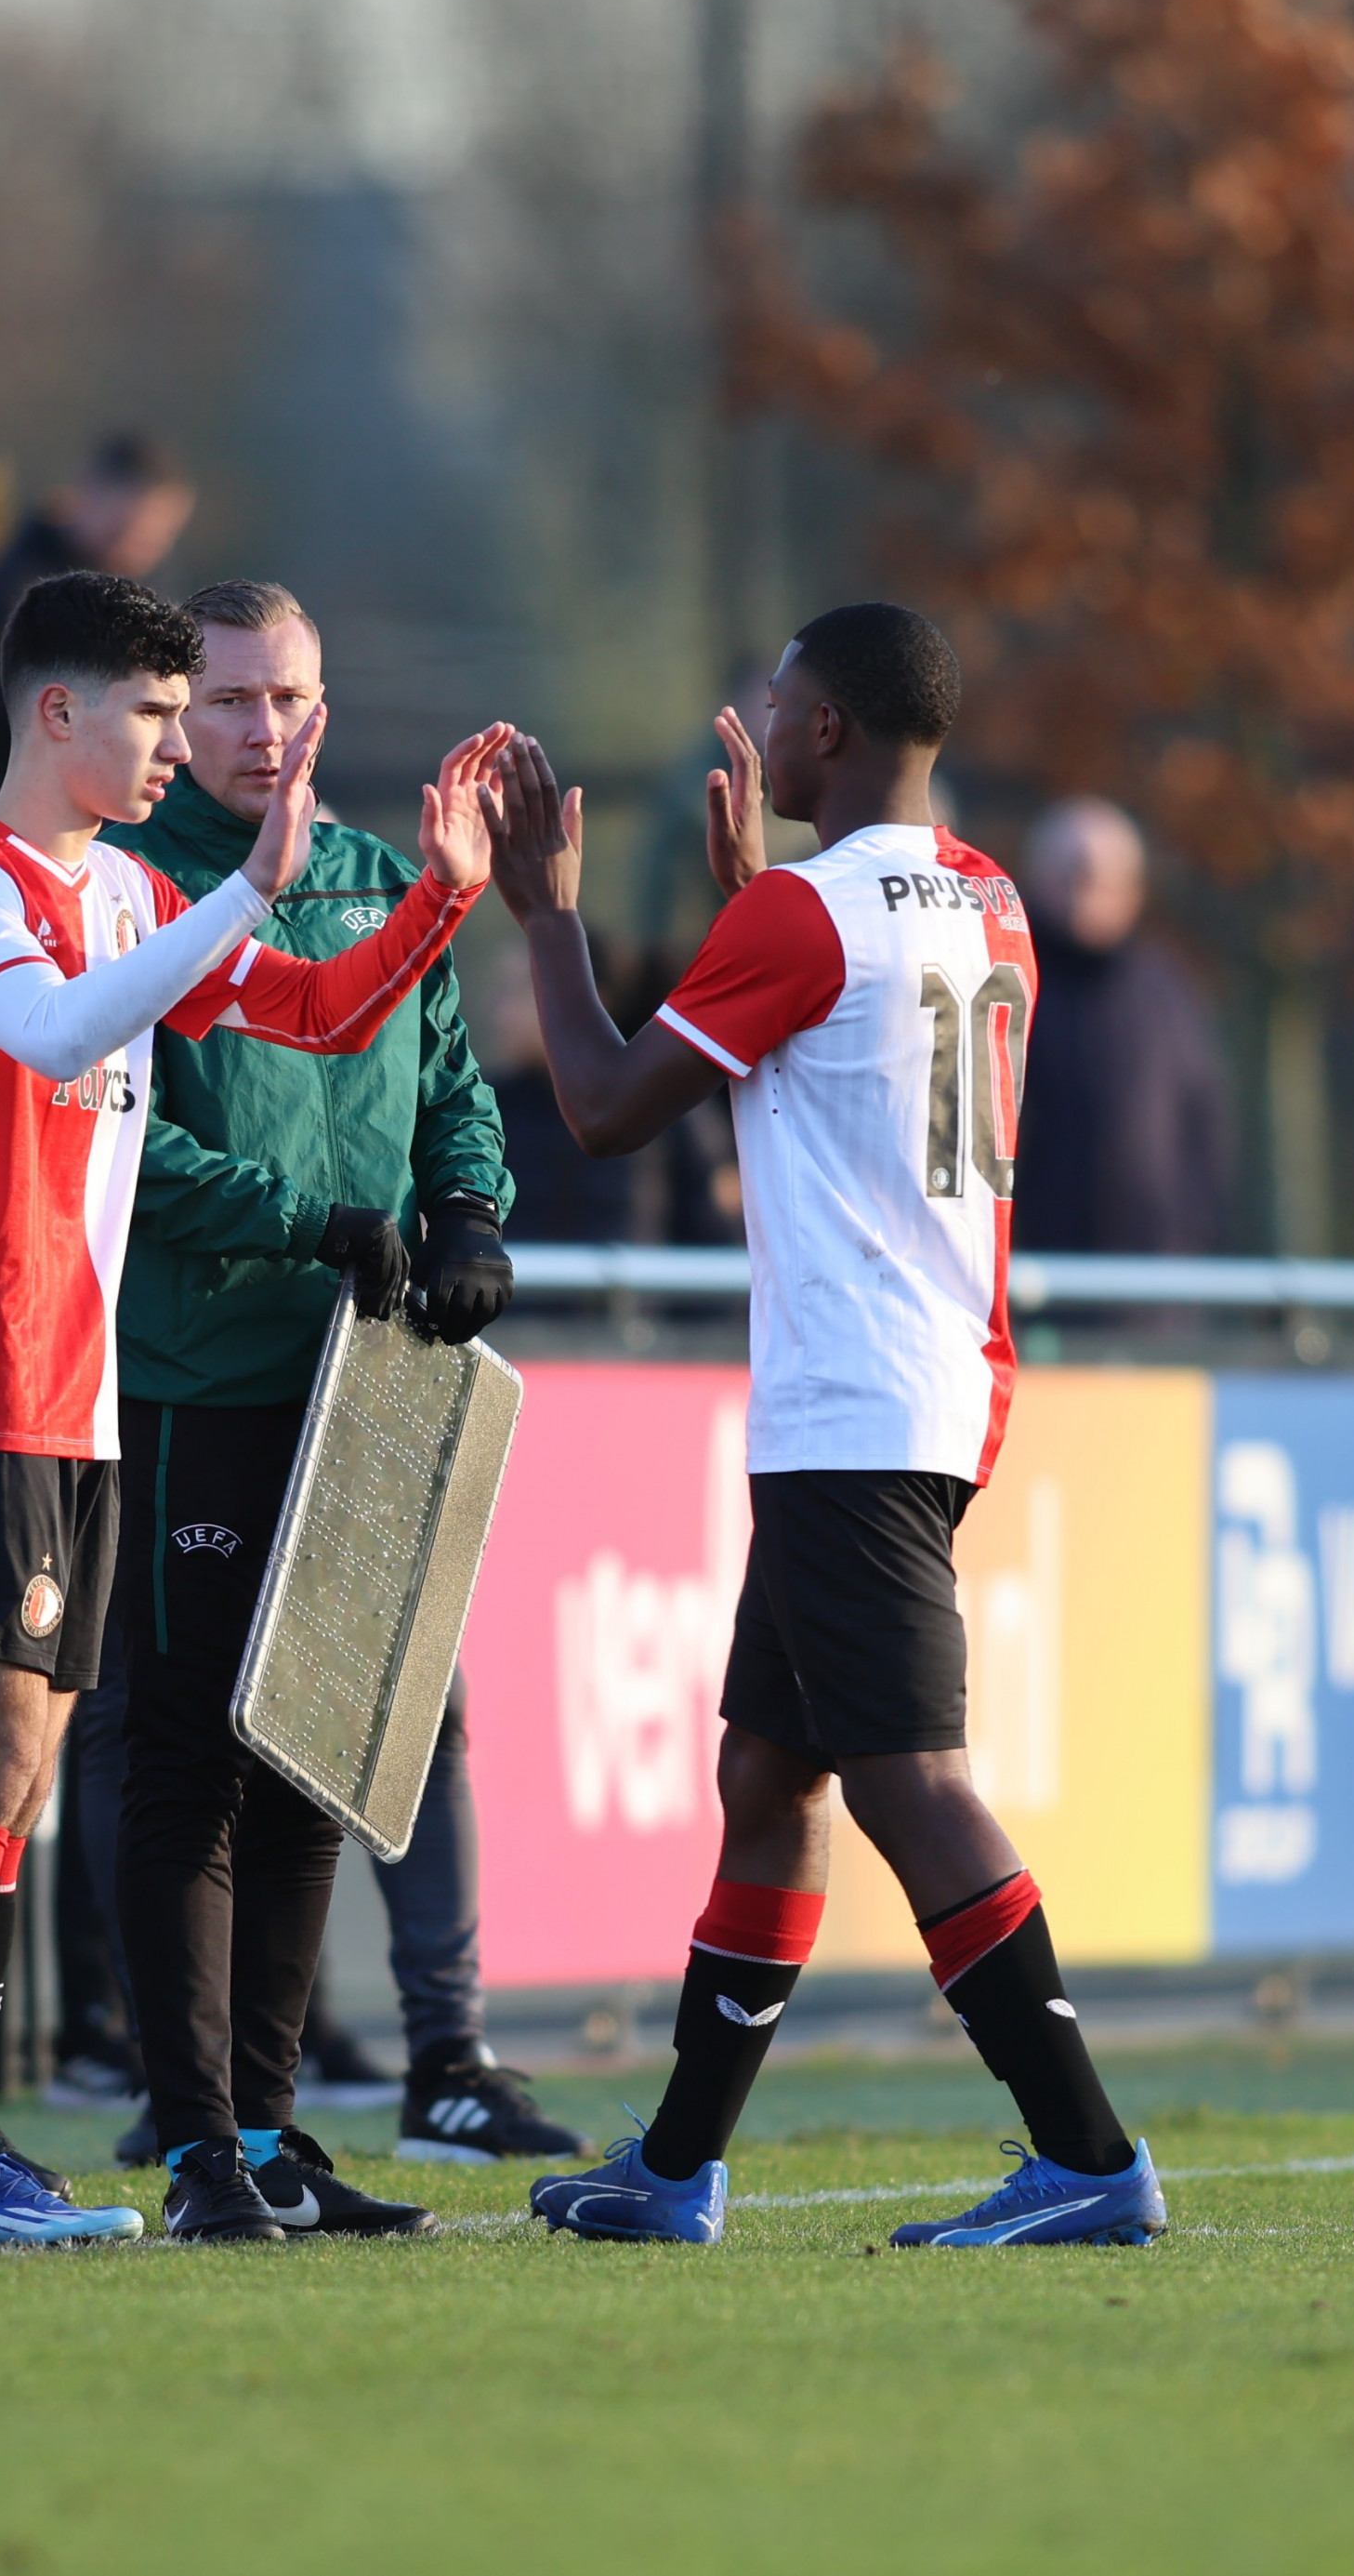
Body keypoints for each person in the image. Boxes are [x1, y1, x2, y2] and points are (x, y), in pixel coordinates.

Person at [496, 602, 1165, 2252]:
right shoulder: (988, 897)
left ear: (831, 740)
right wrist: (744, 910)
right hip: (928, 1375)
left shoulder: (807, 913)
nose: (761, 725)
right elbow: (843, 1047)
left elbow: (597, 1103)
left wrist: (548, 918)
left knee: (910, 1787)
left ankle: (1088, 2154)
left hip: (853, 1401)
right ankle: (674, 2168)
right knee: (769, 1772)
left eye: (782, 706)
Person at [0, 569, 492, 2252]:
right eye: (150, 713)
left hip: (75, 1384)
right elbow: (58, 1028)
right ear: (54, 715)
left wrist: (434, 901)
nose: (174, 745)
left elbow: (320, 1007)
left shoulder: (137, 893)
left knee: (27, 1760)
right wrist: (251, 898)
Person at [92, 576, 515, 2242]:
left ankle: (268, 2132)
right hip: (200, 1377)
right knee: (185, 1761)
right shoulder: (137, 888)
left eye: (291, 699)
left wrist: (470, 1212)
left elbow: (456, 1081)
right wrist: (304, 1220)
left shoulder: (369, 883)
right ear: (175, 717)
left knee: (313, 1757)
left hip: (361, 1387)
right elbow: (137, 1152)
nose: (264, 733)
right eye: (232, 703)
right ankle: (195, 2138)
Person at [1010, 798, 1228, 1256]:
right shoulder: (1007, 978)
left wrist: (1191, 1242)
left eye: (1106, 878)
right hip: (1031, 1282)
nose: (1088, 893)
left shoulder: (1165, 991)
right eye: (1074, 874)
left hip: (1154, 1290)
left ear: (1135, 889)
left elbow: (1204, 1122)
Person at [0, 435, 194, 789]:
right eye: (125, 528)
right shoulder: (18, 591)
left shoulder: (149, 597)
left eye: (159, 537)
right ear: (86, 497)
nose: (141, 548)